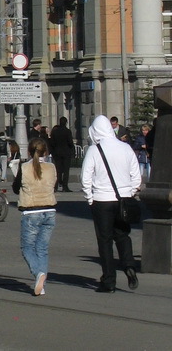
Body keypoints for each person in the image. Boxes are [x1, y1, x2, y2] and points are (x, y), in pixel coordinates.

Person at [81, 114, 142, 293]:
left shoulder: (94, 150)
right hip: (124, 199)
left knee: (105, 240)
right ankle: (129, 265)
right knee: (122, 235)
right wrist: (129, 193)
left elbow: (86, 177)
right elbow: (136, 176)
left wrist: (89, 198)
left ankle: (109, 281)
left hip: (102, 201)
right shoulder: (125, 148)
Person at [13, 136, 57, 297]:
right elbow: (55, 185)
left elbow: (15, 187)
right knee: (42, 248)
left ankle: (38, 273)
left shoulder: (24, 167)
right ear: (45, 151)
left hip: (31, 211)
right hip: (50, 211)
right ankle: (42, 284)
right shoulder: (51, 167)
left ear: (29, 152)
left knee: (27, 247)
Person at [48, 117, 75, 192]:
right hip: (66, 153)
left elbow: (52, 143)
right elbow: (70, 142)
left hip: (57, 152)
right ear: (66, 123)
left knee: (57, 170)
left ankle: (55, 186)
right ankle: (65, 186)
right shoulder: (67, 131)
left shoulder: (55, 132)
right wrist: (72, 151)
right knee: (66, 170)